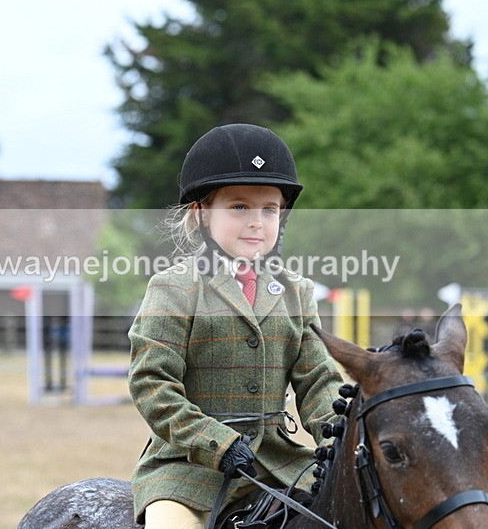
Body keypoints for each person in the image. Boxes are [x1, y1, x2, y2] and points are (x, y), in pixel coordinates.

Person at [128, 123, 344, 528]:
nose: (257, 223)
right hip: (188, 470)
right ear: (200, 214)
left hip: (280, 463)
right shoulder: (174, 287)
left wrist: (340, 439)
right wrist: (216, 443)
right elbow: (152, 385)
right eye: (239, 207)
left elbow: (318, 380)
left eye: (270, 209)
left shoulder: (296, 291)